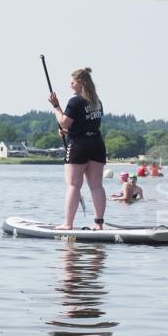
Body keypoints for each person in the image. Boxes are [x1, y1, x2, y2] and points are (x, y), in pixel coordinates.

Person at [48, 67, 105, 230]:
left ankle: (68, 224)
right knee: (96, 185)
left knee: (74, 185)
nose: (70, 85)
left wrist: (56, 107)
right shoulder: (97, 102)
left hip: (79, 145)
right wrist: (67, 131)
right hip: (96, 144)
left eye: (72, 82)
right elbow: (86, 123)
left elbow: (64, 122)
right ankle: (99, 224)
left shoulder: (75, 101)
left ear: (81, 84)